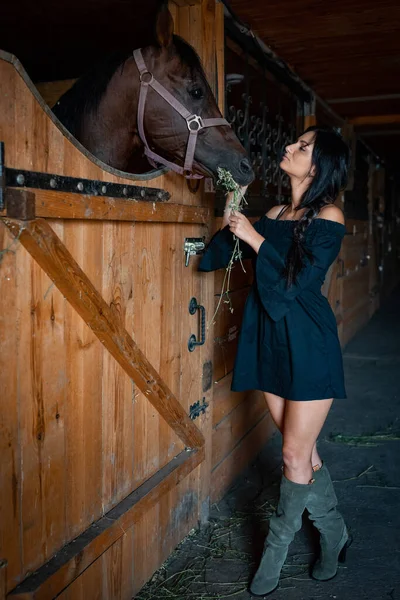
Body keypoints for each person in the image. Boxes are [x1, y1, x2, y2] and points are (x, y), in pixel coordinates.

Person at [198, 126, 352, 596]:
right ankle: (335, 532)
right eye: (294, 143)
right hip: (268, 340)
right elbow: (212, 261)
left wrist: (257, 238)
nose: (289, 148)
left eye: (302, 147)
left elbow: (298, 282)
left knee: (290, 454)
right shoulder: (274, 213)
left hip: (308, 343)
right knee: (302, 453)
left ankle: (276, 551)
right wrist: (231, 221)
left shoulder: (329, 215)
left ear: (319, 164)